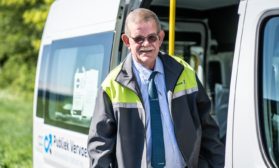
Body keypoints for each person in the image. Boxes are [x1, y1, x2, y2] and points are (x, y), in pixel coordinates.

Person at [87, 8, 225, 168]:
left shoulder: (184, 72)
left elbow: (208, 129)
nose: (146, 44)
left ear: (160, 38)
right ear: (126, 41)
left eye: (152, 38)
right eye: (138, 39)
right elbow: (99, 146)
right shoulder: (112, 85)